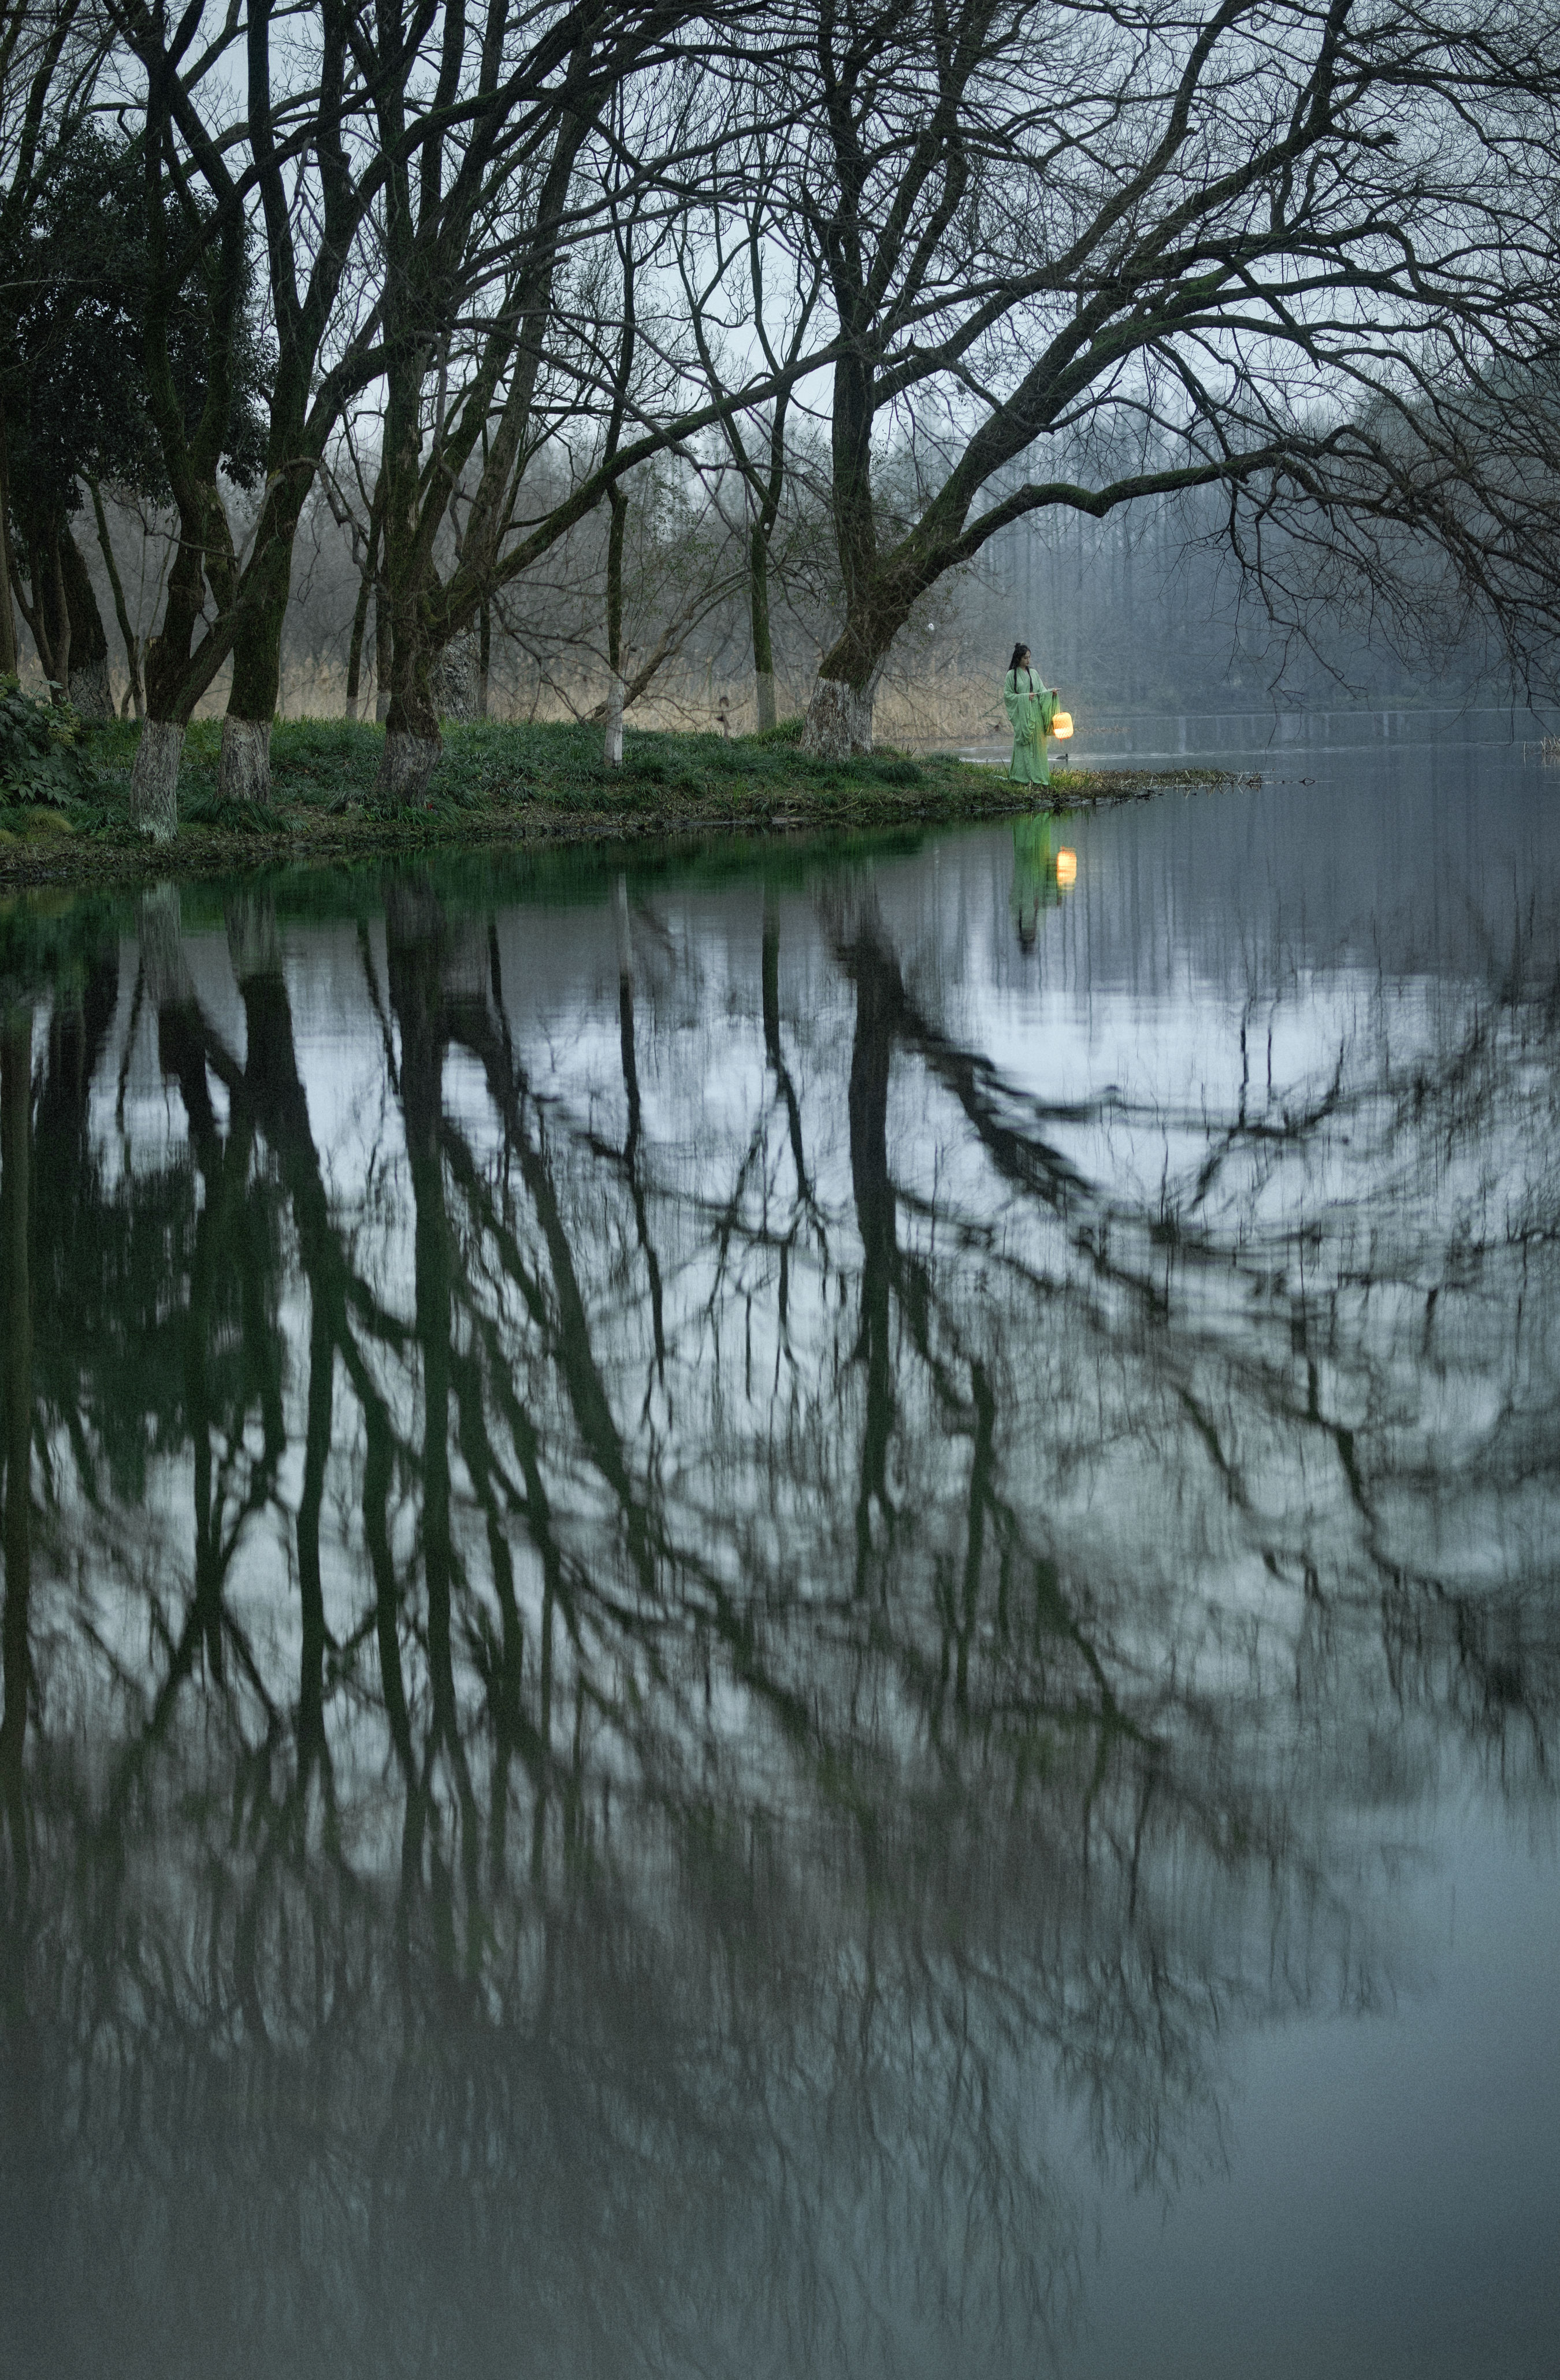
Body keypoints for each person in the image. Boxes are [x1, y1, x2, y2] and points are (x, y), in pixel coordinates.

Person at [1002, 643, 1058, 786]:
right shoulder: (1011, 675)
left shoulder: (1034, 673)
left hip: (1036, 714)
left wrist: (1050, 692)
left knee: (1038, 745)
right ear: (1019, 658)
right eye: (1025, 658)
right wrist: (1024, 697)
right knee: (1024, 745)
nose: (1028, 660)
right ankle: (1022, 776)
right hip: (1023, 715)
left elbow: (1042, 691)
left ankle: (1038, 776)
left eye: (1029, 657)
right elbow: (1008, 696)